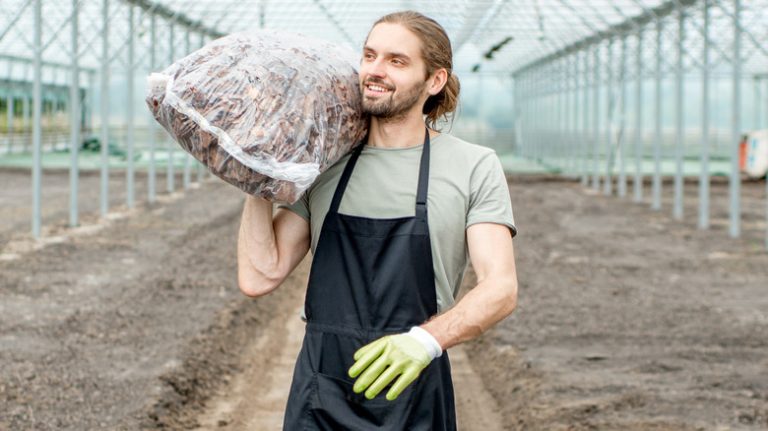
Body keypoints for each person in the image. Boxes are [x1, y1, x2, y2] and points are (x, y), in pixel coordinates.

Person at [237, 10, 518, 430]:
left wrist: (425, 341)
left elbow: (501, 288)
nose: (375, 70)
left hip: (414, 395)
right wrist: (255, 175)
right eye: (369, 56)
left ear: (434, 81)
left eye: (396, 61)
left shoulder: (473, 166)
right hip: (320, 396)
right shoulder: (324, 161)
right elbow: (260, 276)